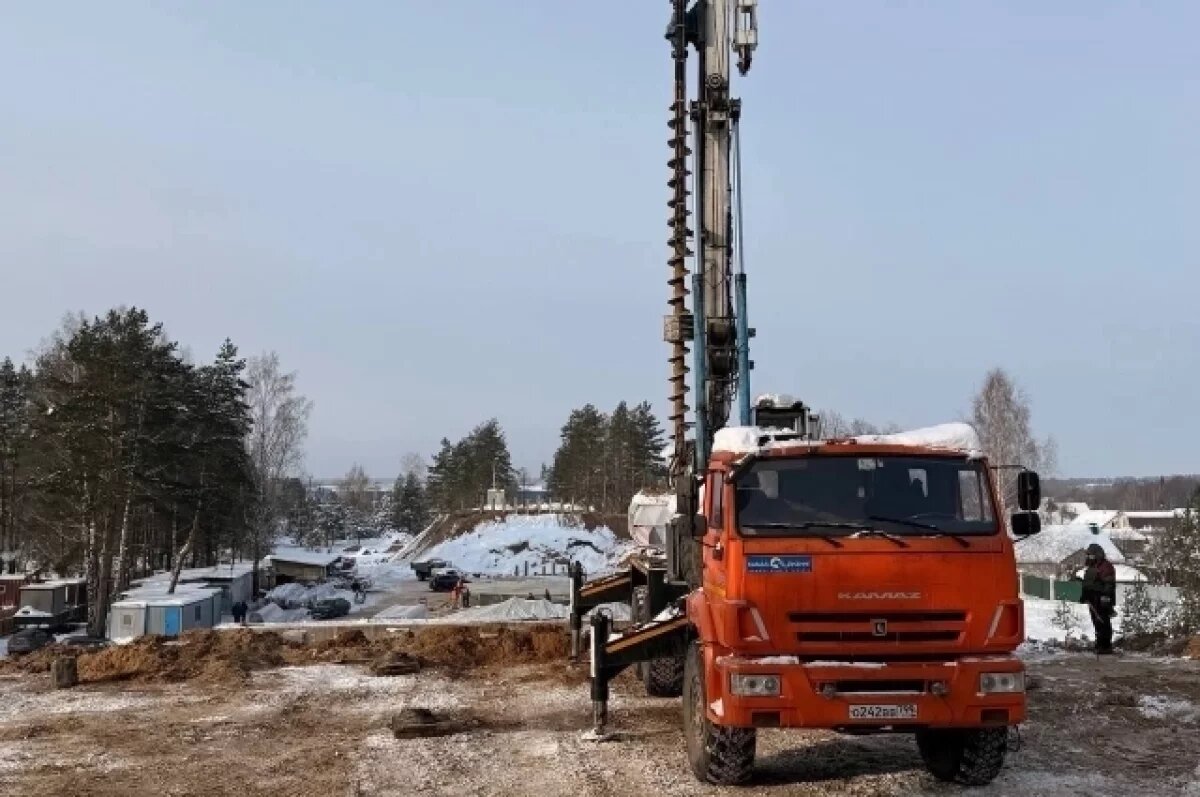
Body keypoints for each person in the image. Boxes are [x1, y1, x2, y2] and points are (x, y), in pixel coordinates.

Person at [1079, 543, 1117, 654]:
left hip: (1102, 598)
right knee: (1096, 622)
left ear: (1097, 554)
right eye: (1088, 554)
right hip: (1093, 599)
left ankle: (1105, 646)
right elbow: (1089, 583)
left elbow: (1109, 583)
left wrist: (1106, 597)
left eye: (1090, 554)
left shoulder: (1105, 566)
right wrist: (1085, 594)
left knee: (1103, 621)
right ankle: (1099, 643)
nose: (1089, 556)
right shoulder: (1092, 566)